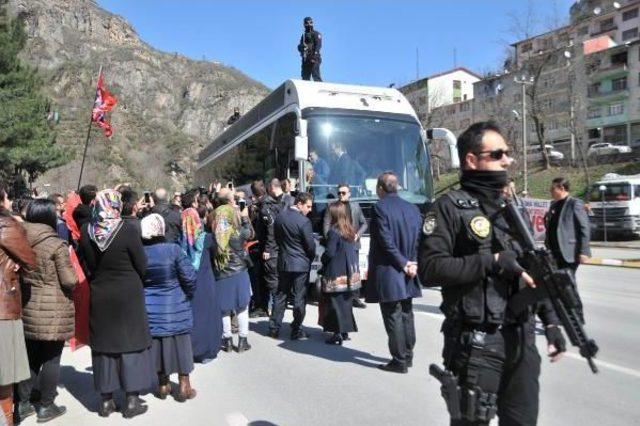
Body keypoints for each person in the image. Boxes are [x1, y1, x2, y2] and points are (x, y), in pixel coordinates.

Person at [418, 122, 566, 425]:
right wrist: (493, 260)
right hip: (477, 342)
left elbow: (535, 269)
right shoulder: (448, 207)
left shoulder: (512, 208)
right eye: (498, 154)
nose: (507, 161)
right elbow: (430, 269)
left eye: (507, 154)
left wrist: (551, 322)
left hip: (522, 341)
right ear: (472, 160)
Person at [79, 189, 155, 419]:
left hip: (101, 292)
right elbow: (141, 263)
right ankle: (131, 400)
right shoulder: (128, 229)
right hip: (128, 292)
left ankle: (105, 401)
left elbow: (90, 265)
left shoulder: (87, 231)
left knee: (104, 346)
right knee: (130, 343)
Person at [17, 199, 78, 423]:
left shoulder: (19, 238)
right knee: (51, 357)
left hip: (27, 304)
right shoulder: (56, 245)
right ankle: (46, 405)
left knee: (30, 356)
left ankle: (22, 403)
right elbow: (69, 280)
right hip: (53, 308)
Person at [365, 172, 422, 374]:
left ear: (380, 188)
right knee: (407, 313)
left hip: (391, 269)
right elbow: (417, 239)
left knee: (393, 315)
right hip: (408, 269)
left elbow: (385, 241)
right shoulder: (412, 208)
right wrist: (412, 262)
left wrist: (403, 263)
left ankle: (399, 360)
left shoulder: (379, 208)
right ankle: (408, 355)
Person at [140, 214, 198, 402]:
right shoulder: (174, 250)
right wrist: (187, 295)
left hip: (151, 309)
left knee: (158, 347)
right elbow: (189, 277)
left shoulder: (141, 253)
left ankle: (163, 384)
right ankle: (184, 386)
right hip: (176, 306)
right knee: (181, 346)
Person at [0, 185, 36, 426]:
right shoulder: (5, 224)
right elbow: (31, 260)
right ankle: (7, 420)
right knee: (4, 373)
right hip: (2, 306)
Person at [211, 188, 254, 352]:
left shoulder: (213, 232)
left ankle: (227, 340)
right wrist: (244, 218)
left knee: (224, 307)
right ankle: (243, 340)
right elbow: (250, 233)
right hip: (239, 271)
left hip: (221, 272)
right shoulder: (236, 233)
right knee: (242, 306)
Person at [180, 200, 223, 363]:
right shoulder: (207, 239)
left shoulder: (180, 241)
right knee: (208, 315)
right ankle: (206, 350)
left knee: (192, 315)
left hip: (188, 282)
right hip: (206, 279)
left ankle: (189, 349)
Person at [269, 192, 315, 340]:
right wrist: (309, 258)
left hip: (284, 262)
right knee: (299, 298)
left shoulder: (280, 217)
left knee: (281, 295)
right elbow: (310, 246)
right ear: (299, 204)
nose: (310, 210)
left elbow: (277, 238)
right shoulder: (304, 221)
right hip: (300, 264)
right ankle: (296, 329)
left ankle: (274, 328)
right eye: (308, 206)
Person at [545, 177, 591, 322]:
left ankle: (578, 317)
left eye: (553, 189)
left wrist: (584, 251)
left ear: (562, 188)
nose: (550, 191)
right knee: (559, 285)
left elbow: (584, 227)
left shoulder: (574, 204)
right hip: (554, 252)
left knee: (569, 284)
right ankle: (564, 315)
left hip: (569, 252)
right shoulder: (554, 205)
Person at [319, 202, 360, 345]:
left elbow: (330, 252)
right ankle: (345, 331)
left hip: (336, 271)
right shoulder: (350, 230)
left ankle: (337, 333)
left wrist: (322, 260)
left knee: (334, 303)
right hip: (349, 270)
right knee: (345, 302)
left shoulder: (334, 231)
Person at [323, 183, 368, 309]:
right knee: (340, 272)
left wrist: (357, 235)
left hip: (353, 244)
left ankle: (355, 297)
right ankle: (342, 296)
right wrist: (333, 240)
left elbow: (364, 223)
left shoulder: (355, 206)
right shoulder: (332, 207)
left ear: (349, 193)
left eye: (343, 193)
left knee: (354, 271)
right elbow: (326, 227)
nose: (341, 195)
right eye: (339, 193)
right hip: (338, 246)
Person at [256, 179, 293, 316]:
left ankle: (274, 308)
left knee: (274, 279)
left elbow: (270, 230)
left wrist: (267, 249)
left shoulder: (271, 204)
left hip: (277, 247)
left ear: (271, 188)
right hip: (284, 246)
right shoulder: (288, 201)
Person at [248, 181, 269, 318]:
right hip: (266, 247)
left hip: (258, 247)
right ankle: (263, 305)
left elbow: (254, 230)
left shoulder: (260, 207)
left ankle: (261, 305)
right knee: (264, 278)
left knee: (257, 278)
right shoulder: (269, 203)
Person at [297, 16, 322, 81]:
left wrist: (314, 56)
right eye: (307, 23)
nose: (309, 24)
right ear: (304, 24)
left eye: (310, 22)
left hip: (314, 58)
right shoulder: (304, 36)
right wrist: (301, 47)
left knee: (316, 76)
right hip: (305, 59)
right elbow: (300, 47)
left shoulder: (316, 33)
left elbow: (318, 45)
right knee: (305, 79)